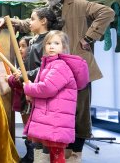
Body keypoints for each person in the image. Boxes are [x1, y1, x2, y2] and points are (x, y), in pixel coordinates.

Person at [0, 0, 115, 162]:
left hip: (77, 69)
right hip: (55, 71)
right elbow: (33, 22)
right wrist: (11, 22)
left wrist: (88, 38)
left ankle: (75, 156)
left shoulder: (78, 5)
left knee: (79, 115)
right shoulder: (48, 9)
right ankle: (54, 155)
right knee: (57, 115)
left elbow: (107, 13)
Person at [23, 30, 89, 163]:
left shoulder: (59, 66)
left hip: (56, 119)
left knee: (57, 155)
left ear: (64, 47)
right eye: (48, 43)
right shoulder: (48, 64)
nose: (51, 46)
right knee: (54, 154)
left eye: (56, 43)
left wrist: (28, 88)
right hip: (53, 118)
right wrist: (31, 93)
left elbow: (47, 88)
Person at [6, 7, 62, 163]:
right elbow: (29, 65)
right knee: (32, 127)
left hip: (42, 90)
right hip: (31, 88)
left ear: (43, 21)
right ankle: (32, 156)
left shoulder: (49, 41)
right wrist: (20, 73)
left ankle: (39, 157)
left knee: (42, 128)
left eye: (32, 19)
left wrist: (28, 75)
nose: (29, 22)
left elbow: (48, 66)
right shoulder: (33, 40)